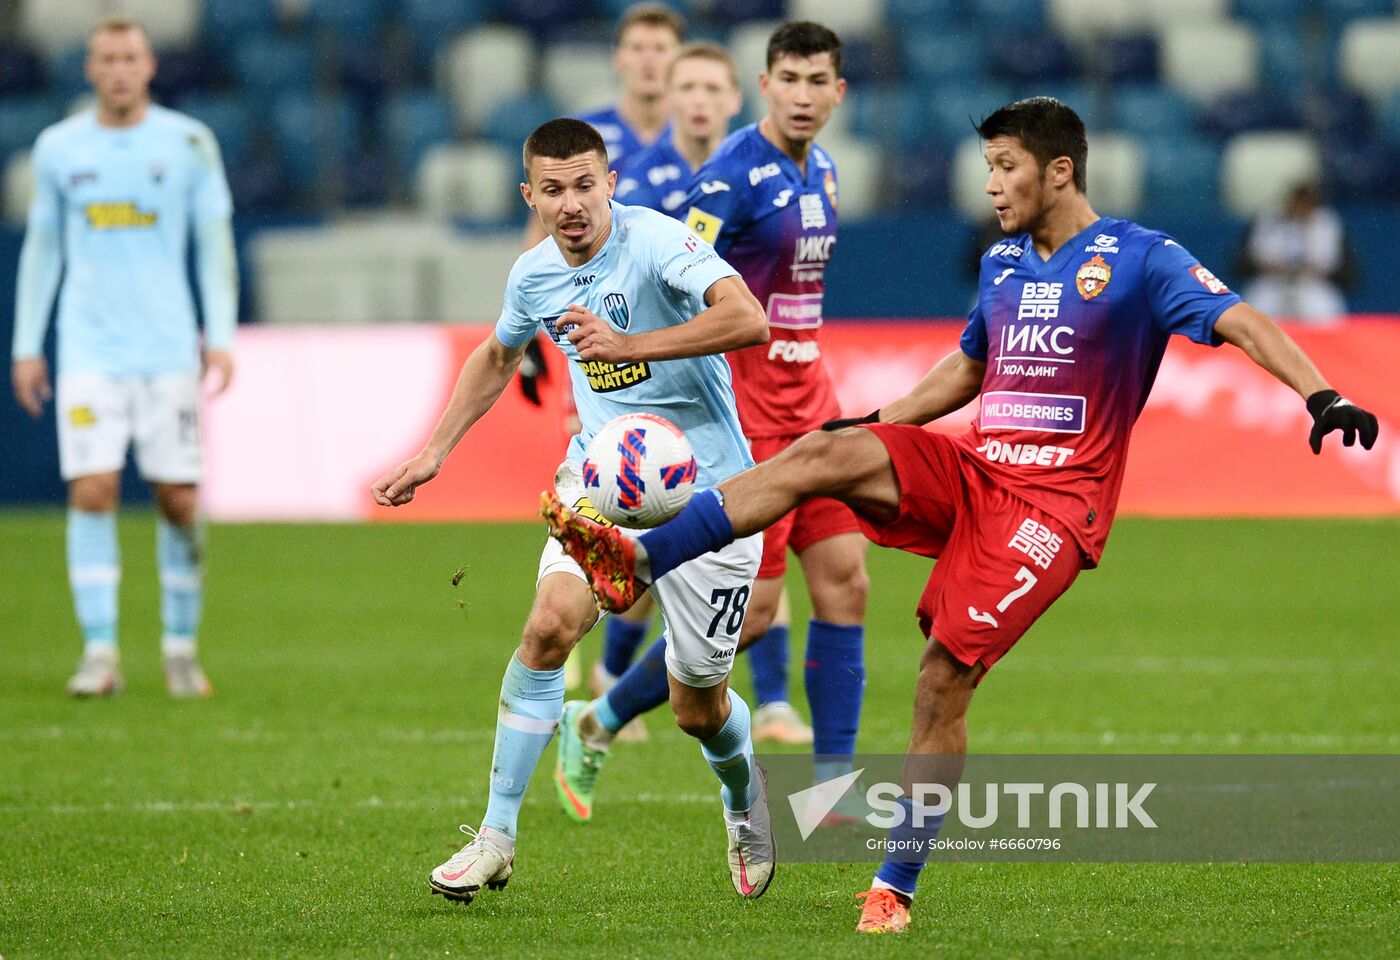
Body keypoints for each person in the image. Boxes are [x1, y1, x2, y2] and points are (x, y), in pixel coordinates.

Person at [542, 97, 1380, 934]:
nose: (991, 185)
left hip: (1053, 510)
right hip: (975, 471)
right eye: (988, 169)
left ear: (1060, 171)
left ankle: (894, 886)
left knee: (943, 677)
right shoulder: (1004, 261)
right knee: (820, 451)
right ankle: (641, 561)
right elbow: (969, 367)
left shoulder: (1139, 257)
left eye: (1005, 168)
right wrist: (881, 426)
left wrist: (1321, 392)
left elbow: (1241, 319)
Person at [371, 118, 777, 903]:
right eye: (552, 190)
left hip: (712, 497)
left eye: (585, 185)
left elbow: (749, 320)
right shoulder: (533, 275)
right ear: (531, 195)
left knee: (698, 706)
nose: (571, 204)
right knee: (548, 627)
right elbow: (498, 355)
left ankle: (741, 791)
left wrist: (631, 345)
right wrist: (435, 453)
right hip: (601, 486)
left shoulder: (658, 242)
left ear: (610, 183)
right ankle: (496, 836)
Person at [552, 22, 871, 824]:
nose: (802, 95)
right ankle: (597, 720)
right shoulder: (726, 179)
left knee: (846, 583)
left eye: (817, 81)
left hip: (815, 410)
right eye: (788, 79)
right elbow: (680, 288)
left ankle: (832, 788)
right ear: (763, 86)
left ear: (839, 93)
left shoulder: (825, 170)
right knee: (756, 616)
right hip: (748, 422)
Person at [10, 16, 238, 699]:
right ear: (89, 69)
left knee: (176, 499)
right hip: (88, 349)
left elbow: (213, 242)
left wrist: (218, 332)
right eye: (106, 58)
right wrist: (28, 344)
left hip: (167, 349)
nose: (117, 69)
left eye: (129, 57)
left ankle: (178, 646)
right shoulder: (58, 148)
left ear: (149, 66)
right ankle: (100, 650)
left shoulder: (189, 142)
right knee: (92, 489)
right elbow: (43, 248)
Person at [579, 41, 749, 737]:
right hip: (661, 381)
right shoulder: (642, 183)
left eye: (715, 87)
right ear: (672, 97)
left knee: (758, 567)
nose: (701, 100)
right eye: (691, 86)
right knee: (659, 535)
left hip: (736, 368)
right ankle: (612, 688)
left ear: (736, 97)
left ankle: (759, 705)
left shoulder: (758, 167)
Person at [1237, 182, 1353, 326]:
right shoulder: (1270, 220)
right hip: (1272, 282)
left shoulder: (1326, 223)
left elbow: (1338, 264)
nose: (1300, 207)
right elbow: (1250, 258)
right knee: (1255, 312)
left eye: (1305, 203)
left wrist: (1310, 266)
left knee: (1327, 313)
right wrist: (1275, 266)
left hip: (1312, 283)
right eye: (1297, 202)